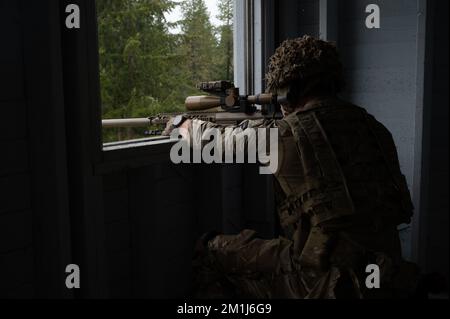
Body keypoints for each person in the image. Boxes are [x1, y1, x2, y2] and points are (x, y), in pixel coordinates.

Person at [165, 35, 420, 299]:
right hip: (384, 274)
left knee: (211, 250)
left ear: (289, 90)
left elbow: (216, 142)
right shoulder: (373, 127)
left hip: (329, 283)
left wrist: (183, 126)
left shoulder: (290, 134)